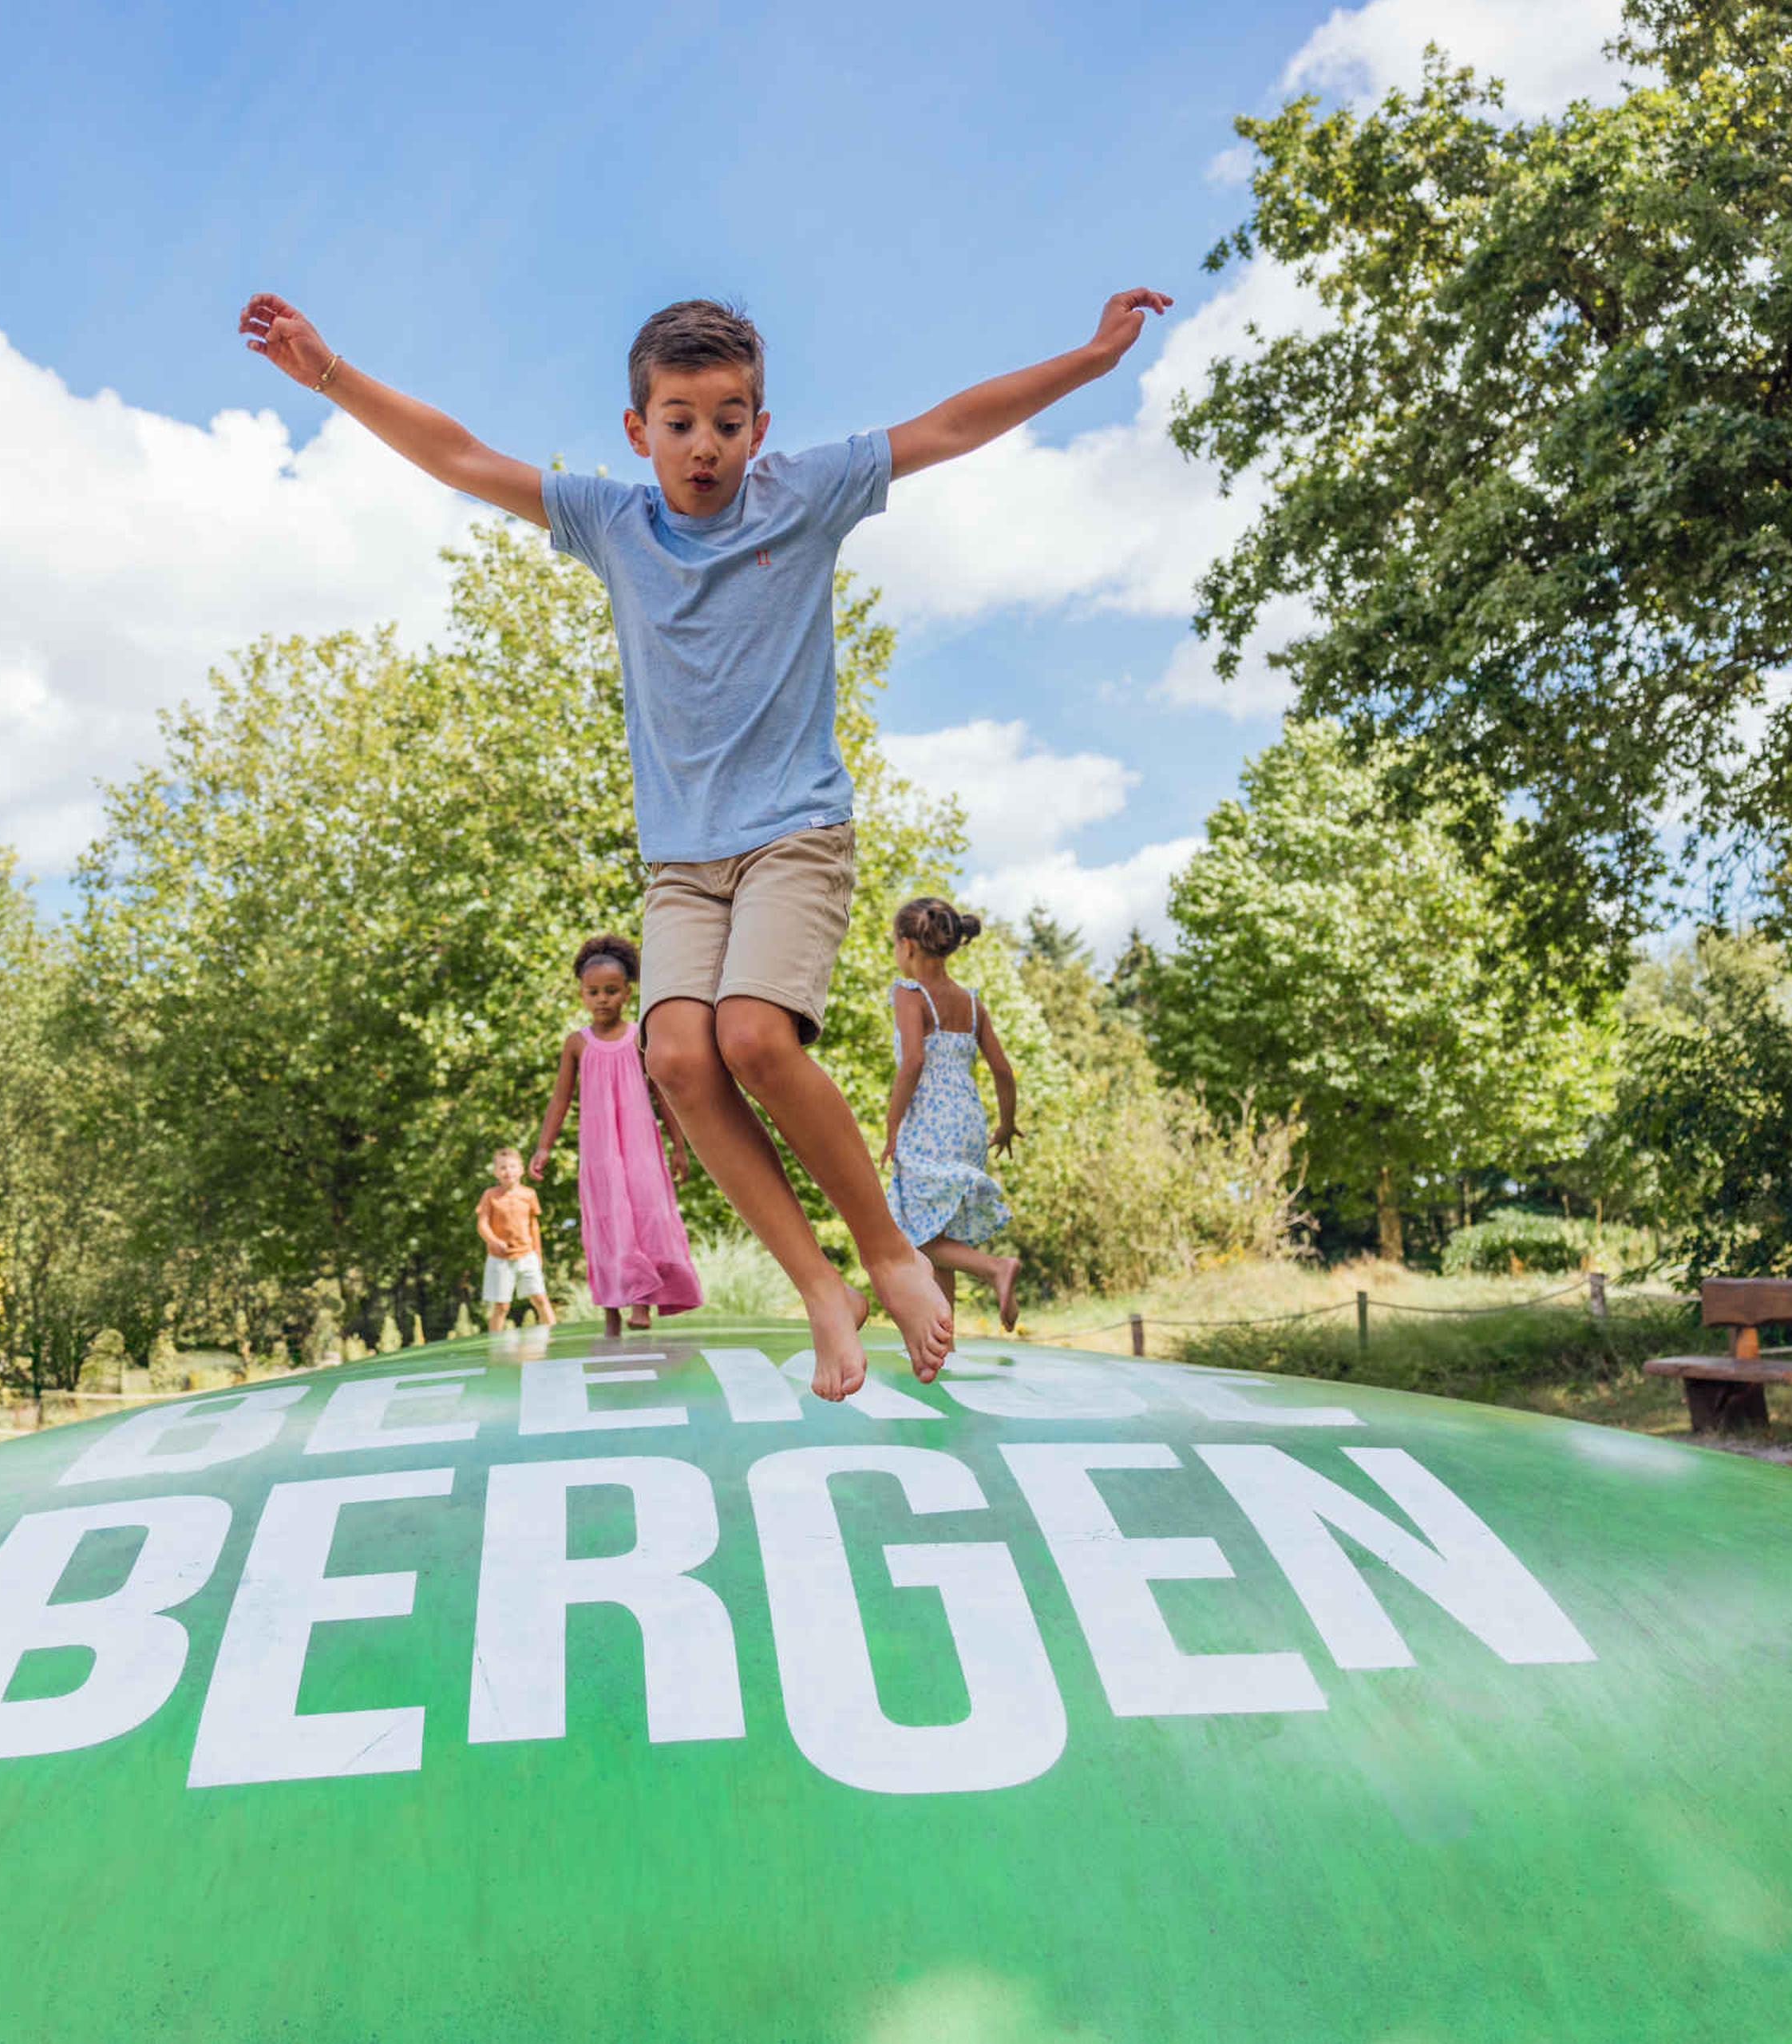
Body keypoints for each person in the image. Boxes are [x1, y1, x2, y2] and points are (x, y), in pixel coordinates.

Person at [241, 283, 1169, 1398]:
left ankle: (886, 1253)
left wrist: (1091, 361)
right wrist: (332, 375)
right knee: (676, 1055)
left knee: (756, 1039)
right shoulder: (609, 521)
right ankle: (821, 1288)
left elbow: (949, 424)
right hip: (684, 860)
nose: (706, 445)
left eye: (730, 420)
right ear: (639, 431)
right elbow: (462, 457)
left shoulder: (806, 492)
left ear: (760, 428)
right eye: (679, 421)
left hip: (794, 834)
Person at [532, 933, 703, 1337]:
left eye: (611, 991)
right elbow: (559, 1101)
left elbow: (664, 1095)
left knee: (646, 1214)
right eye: (593, 992)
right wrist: (543, 1147)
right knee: (607, 1221)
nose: (602, 999)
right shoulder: (577, 1043)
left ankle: (643, 1301)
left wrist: (679, 1147)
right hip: (600, 1151)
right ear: (581, 995)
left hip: (642, 1146)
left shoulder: (639, 1038)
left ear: (627, 993)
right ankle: (611, 1309)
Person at [880, 897, 1021, 1330]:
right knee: (940, 1234)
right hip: (969, 1124)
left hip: (928, 1124)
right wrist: (1007, 1124)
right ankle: (946, 1344)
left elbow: (913, 1062)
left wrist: (891, 1128)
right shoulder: (973, 1004)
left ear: (907, 946)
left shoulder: (910, 995)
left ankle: (995, 1267)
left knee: (909, 1232)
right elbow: (1002, 1069)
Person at [475, 1147, 553, 1331]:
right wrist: (493, 1241)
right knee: (502, 1306)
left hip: (526, 1255)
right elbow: (482, 1224)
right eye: (502, 1168)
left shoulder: (529, 1195)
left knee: (540, 1298)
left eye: (512, 1167)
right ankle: (495, 1345)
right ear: (496, 1172)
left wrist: (538, 1254)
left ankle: (553, 1338)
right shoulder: (490, 1195)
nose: (508, 1171)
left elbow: (534, 1226)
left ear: (520, 1170)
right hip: (500, 1258)